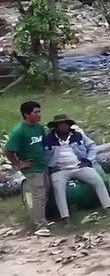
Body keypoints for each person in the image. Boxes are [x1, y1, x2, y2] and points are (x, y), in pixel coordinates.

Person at [43, 114, 110, 223]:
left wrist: (88, 160)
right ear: (55, 126)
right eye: (61, 124)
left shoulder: (78, 135)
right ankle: (65, 218)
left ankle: (108, 207)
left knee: (97, 179)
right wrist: (49, 167)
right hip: (60, 170)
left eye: (66, 124)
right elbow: (42, 155)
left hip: (79, 166)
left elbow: (92, 146)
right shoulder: (48, 139)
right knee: (58, 188)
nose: (64, 127)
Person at [4, 101, 51, 236]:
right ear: (26, 114)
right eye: (36, 112)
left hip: (42, 165)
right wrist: (18, 164)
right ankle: (40, 226)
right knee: (39, 195)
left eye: (39, 112)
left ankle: (42, 219)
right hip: (31, 168)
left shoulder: (39, 128)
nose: (39, 115)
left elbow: (42, 145)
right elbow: (8, 150)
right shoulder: (19, 131)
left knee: (45, 193)